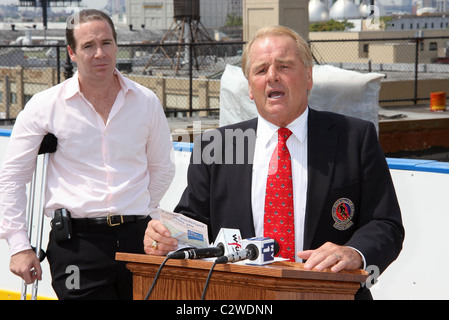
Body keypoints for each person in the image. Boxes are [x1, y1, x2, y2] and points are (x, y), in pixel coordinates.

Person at [143, 26, 404, 299]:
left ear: (309, 77)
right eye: (260, 70)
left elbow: (385, 224)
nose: (272, 77)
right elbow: (194, 223)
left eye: (284, 66)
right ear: (251, 90)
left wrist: (355, 253)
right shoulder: (218, 146)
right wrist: (166, 237)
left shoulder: (354, 138)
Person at [0, 9, 175, 300]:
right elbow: (12, 177)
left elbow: (162, 167)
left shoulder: (145, 101)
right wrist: (19, 245)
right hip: (77, 246)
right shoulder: (45, 106)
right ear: (72, 52)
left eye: (106, 43)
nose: (100, 53)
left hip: (139, 240)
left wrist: (139, 208)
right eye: (88, 46)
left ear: (116, 46)